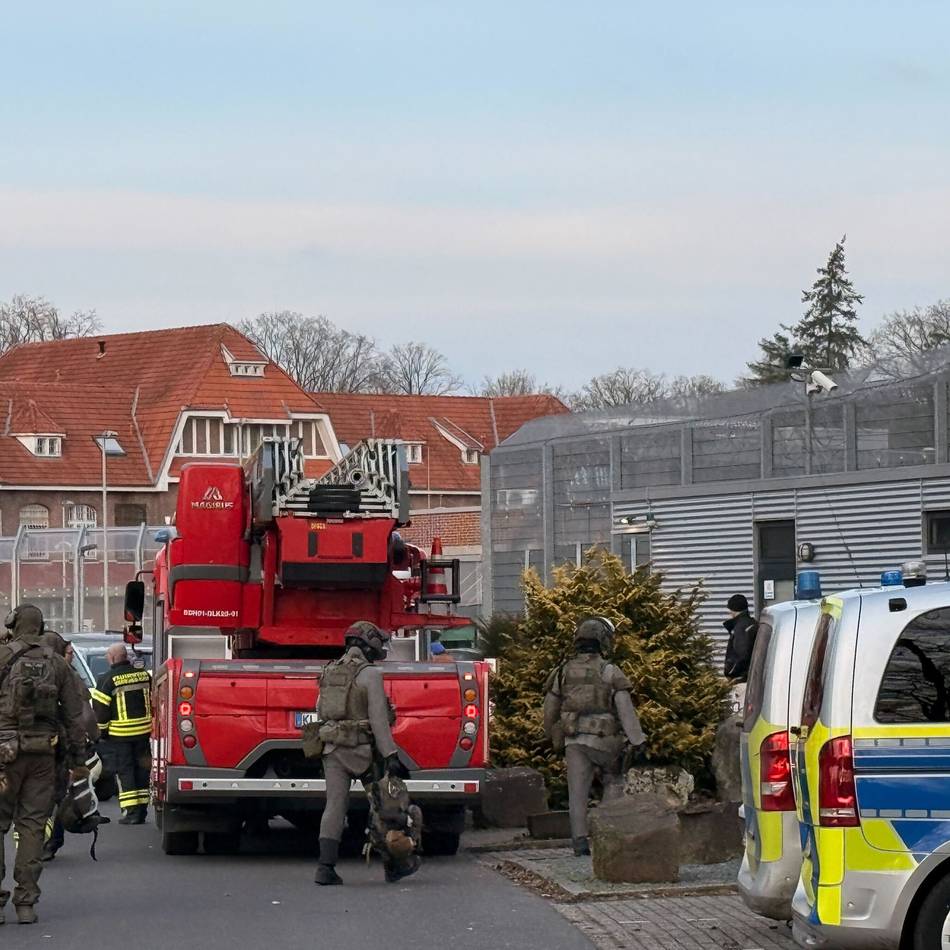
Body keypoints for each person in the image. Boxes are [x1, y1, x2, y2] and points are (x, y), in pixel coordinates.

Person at [0, 605, 88, 924]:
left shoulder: (2, 655)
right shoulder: (56, 664)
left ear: (13, 625)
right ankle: (26, 903)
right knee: (32, 827)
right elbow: (75, 718)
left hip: (4, 757)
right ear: (41, 627)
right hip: (42, 756)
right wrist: (78, 760)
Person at [314, 621, 419, 886]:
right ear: (368, 643)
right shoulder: (370, 674)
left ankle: (325, 868)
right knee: (386, 807)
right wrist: (390, 754)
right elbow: (378, 719)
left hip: (332, 749)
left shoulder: (329, 670)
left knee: (334, 807)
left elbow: (320, 709)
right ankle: (395, 865)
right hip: (363, 752)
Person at [543, 616, 646, 857]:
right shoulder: (609, 670)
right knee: (614, 779)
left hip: (574, 740)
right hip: (605, 740)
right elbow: (625, 709)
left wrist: (551, 734)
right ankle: (608, 835)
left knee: (577, 792)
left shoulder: (562, 671)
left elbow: (550, 710)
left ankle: (579, 843)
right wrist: (637, 739)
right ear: (603, 641)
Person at [39, 633, 99, 862]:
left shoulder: (19, 668)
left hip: (26, 748)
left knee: (34, 800)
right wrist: (85, 747)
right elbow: (82, 716)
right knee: (56, 796)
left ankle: (37, 842)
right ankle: (49, 841)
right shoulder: (68, 676)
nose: (71, 654)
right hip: (58, 748)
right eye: (68, 651)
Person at [91, 643, 152, 825]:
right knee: (142, 769)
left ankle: (131, 812)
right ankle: (142, 811)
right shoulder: (143, 675)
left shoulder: (107, 680)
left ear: (113, 658)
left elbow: (101, 711)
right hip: (144, 732)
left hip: (121, 734)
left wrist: (101, 732)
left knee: (125, 771)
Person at [723, 594, 757, 683]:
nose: (729, 612)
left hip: (741, 678)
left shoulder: (740, 628)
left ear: (733, 610)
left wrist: (731, 674)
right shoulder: (751, 623)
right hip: (749, 676)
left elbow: (741, 655)